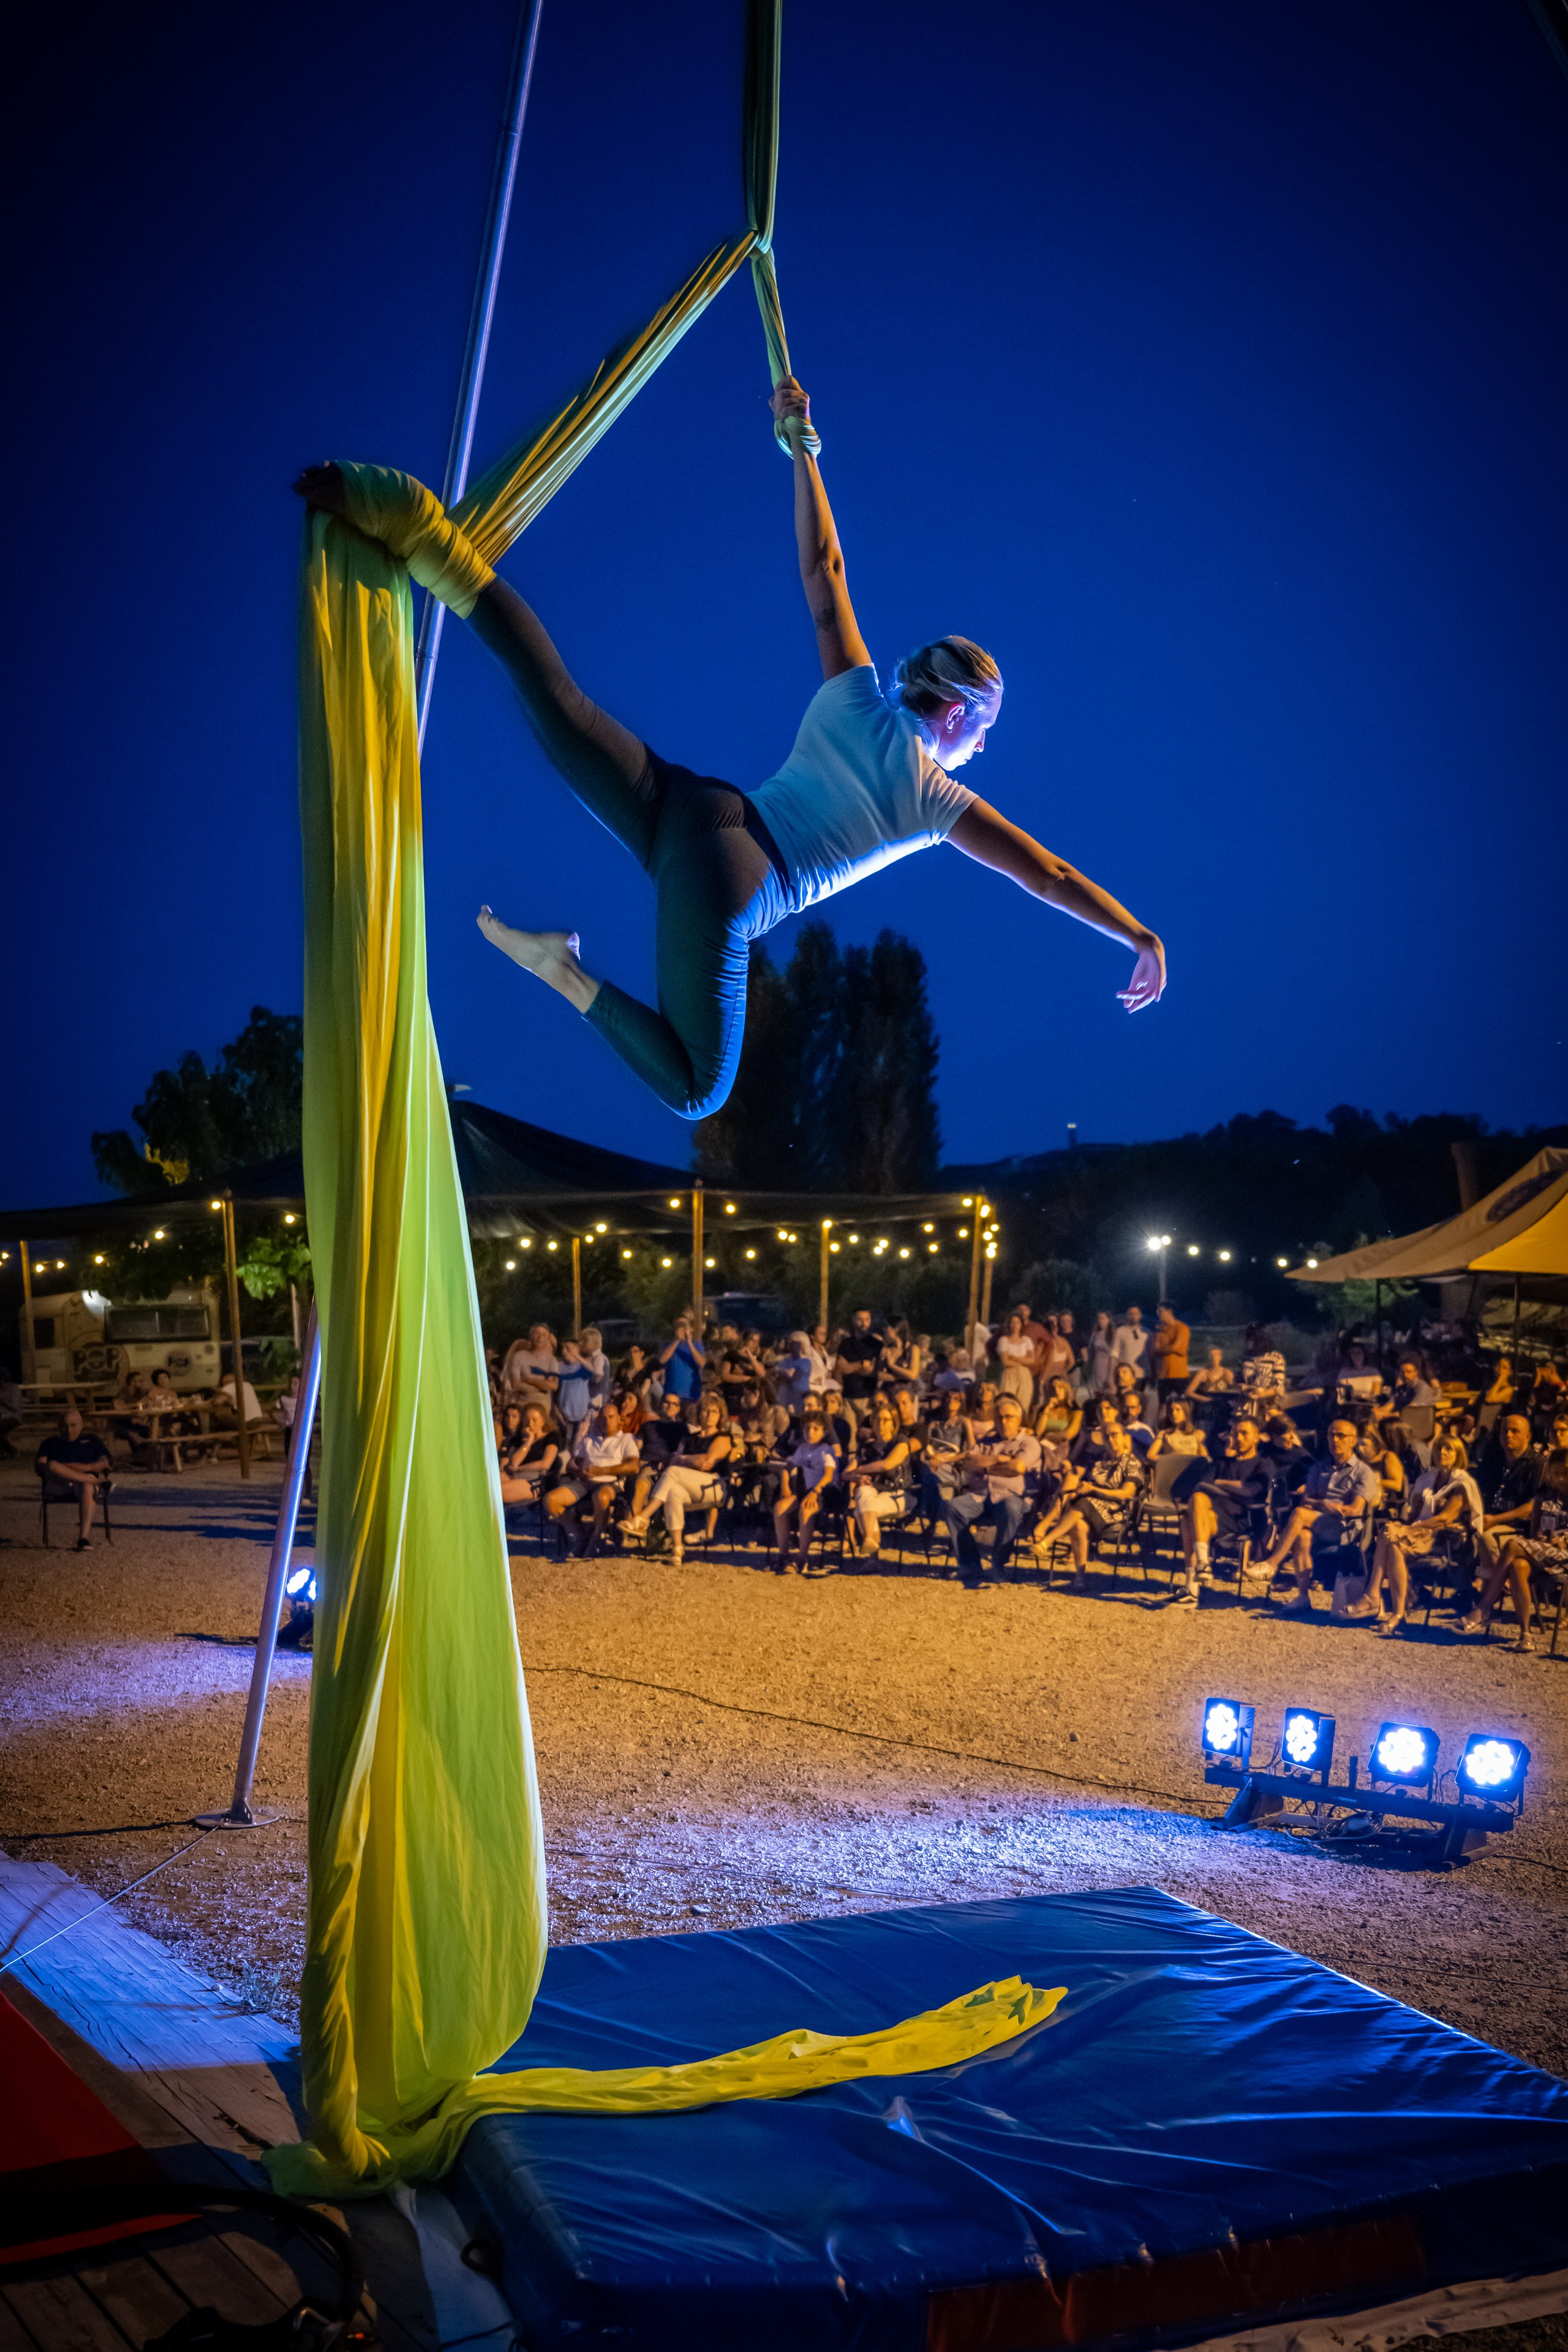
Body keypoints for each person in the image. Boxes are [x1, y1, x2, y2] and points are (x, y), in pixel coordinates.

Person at [295, 390, 1166, 1125]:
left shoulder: (856, 693)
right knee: (695, 1092)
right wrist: (1137, 932)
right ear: (958, 714)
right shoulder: (936, 800)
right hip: (741, 879)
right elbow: (1045, 875)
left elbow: (824, 571)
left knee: (560, 701)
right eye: (986, 727)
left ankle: (424, 534)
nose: (986, 745)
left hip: (697, 808)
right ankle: (560, 968)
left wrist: (801, 449)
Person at [1360, 1433, 1482, 1637]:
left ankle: (1377, 1598)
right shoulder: (1426, 1479)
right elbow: (1413, 1514)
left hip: (1444, 1538)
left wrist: (1411, 1529)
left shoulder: (1462, 1483)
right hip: (1420, 1533)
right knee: (1390, 1537)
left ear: (1459, 1454)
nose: (1442, 1452)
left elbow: (1444, 1519)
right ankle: (1397, 1613)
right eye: (1439, 1448)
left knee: (1391, 1537)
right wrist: (1406, 1526)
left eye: (1448, 1449)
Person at [1254, 1419, 1380, 1613]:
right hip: (1318, 1522)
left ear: (1353, 1441)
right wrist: (1324, 1505)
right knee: (1302, 1535)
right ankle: (1303, 1597)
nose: (1334, 1440)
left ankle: (1272, 1564)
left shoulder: (1363, 1472)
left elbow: (1355, 1510)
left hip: (1346, 1528)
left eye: (1341, 1436)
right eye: (1331, 1435)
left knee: (1298, 1514)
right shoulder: (1319, 1468)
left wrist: (1322, 1505)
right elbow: (1306, 1500)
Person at [1468, 1447, 1568, 1654]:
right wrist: (1542, 1538)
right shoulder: (1544, 1497)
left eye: (1564, 1473)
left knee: (1512, 1545)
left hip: (1565, 1556)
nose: (1559, 1478)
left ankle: (1484, 1606)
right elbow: (1533, 1535)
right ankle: (1526, 1636)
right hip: (1543, 1552)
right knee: (1518, 1565)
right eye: (1555, 1473)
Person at [937, 1392, 1041, 1582]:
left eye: (1009, 1417)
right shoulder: (986, 1443)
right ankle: (970, 1565)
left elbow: (1018, 1467)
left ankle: (998, 1565)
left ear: (1019, 1419)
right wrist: (1001, 1460)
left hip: (1012, 1496)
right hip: (980, 1496)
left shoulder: (1029, 1443)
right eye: (1000, 1418)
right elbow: (968, 1461)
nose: (1004, 1422)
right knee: (951, 1507)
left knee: (1011, 1507)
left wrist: (984, 1466)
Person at [1170, 1415, 1272, 1607]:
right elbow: (1200, 1486)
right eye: (1235, 1434)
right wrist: (1233, 1486)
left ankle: (1193, 1585)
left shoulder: (1263, 1464)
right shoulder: (1220, 1463)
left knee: (1191, 1515)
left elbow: (1249, 1491)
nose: (1239, 1438)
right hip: (1214, 1517)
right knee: (1192, 1509)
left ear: (1257, 1438)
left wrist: (1219, 1483)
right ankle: (1202, 1565)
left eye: (1244, 1433)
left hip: (1244, 1518)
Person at [1029, 1421, 1144, 1589]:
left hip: (1117, 1511)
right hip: (1091, 1508)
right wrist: (1079, 1485)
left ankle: (1048, 1540)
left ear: (1125, 1438)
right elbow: (1081, 1478)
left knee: (1083, 1504)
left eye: (1115, 1435)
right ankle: (1079, 1578)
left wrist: (1094, 1490)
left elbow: (1126, 1494)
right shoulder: (1099, 1462)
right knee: (1079, 1523)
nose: (1111, 1439)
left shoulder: (1132, 1463)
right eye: (1106, 1436)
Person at [626, 1392, 735, 1562]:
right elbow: (674, 1460)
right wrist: (688, 1460)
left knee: (675, 1472)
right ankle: (677, 1550)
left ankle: (644, 1517)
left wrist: (683, 1459)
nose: (709, 1415)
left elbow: (707, 1462)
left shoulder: (723, 1437)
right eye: (705, 1411)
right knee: (673, 1492)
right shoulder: (689, 1438)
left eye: (714, 1412)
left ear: (720, 1416)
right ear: (699, 1413)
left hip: (714, 1487)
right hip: (689, 1488)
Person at [545, 1401, 640, 1556]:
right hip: (584, 1481)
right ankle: (581, 1537)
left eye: (611, 1417)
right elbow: (571, 1465)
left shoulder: (627, 1439)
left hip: (610, 1482)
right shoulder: (589, 1439)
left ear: (619, 1420)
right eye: (603, 1418)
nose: (607, 1421)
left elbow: (634, 1466)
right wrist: (580, 1471)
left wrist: (602, 1471)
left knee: (601, 1496)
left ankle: (597, 1538)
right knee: (551, 1500)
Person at [845, 1398, 918, 1558]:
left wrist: (860, 1470)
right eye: (877, 1420)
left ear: (894, 1423)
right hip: (874, 1493)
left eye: (886, 1420)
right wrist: (856, 1477)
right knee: (864, 1491)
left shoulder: (901, 1442)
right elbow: (845, 1473)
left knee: (861, 1508)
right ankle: (870, 1542)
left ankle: (872, 1555)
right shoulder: (867, 1447)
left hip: (898, 1493)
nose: (881, 1424)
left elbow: (887, 1464)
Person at [772, 1409, 841, 1574]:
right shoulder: (802, 1448)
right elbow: (789, 1466)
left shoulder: (826, 1450)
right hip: (804, 1491)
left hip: (825, 1492)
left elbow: (829, 1475)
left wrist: (815, 1492)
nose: (810, 1432)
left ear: (824, 1432)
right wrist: (786, 1484)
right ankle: (784, 1554)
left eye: (816, 1429)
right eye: (807, 1429)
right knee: (780, 1508)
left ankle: (803, 1558)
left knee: (806, 1509)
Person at [36, 1406, 113, 1549]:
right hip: (59, 1484)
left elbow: (104, 1463)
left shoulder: (92, 1441)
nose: (69, 1430)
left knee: (86, 1484)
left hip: (84, 1486)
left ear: (82, 1425)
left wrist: (70, 1467)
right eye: (65, 1426)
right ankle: (100, 1483)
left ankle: (83, 1538)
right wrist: (86, 1468)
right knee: (52, 1465)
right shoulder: (50, 1443)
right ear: (59, 1426)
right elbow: (42, 1466)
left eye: (73, 1425)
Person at [1476, 1413, 1544, 1570]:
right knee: (1459, 1535)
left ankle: (1497, 1586)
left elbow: (1532, 1507)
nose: (1508, 1435)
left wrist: (1495, 1519)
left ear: (1528, 1436)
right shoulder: (1495, 1459)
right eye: (1504, 1431)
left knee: (1487, 1539)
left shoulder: (1537, 1464)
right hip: (1489, 1518)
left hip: (1517, 1525)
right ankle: (1467, 1588)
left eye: (1515, 1431)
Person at [499, 1403, 559, 1509]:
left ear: (543, 1421)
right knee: (487, 1483)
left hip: (536, 1479)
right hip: (514, 1475)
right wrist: (529, 1442)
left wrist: (520, 1469)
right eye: (527, 1420)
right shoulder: (517, 1439)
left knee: (496, 1492)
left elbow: (545, 1464)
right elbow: (514, 1463)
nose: (530, 1424)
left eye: (534, 1420)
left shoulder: (551, 1437)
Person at [835, 1309, 884, 1405]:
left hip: (868, 1396)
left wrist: (849, 1367)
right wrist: (862, 1364)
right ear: (854, 1320)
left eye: (867, 1320)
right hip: (848, 1396)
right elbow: (839, 1369)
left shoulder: (877, 1345)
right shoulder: (845, 1344)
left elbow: (873, 1370)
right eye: (860, 1320)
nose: (864, 1323)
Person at [503, 1325, 560, 1407]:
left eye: (544, 1335)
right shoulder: (519, 1356)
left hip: (543, 1406)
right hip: (522, 1405)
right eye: (537, 1333)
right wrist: (543, 1387)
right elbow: (515, 1384)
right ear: (531, 1336)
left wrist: (529, 1380)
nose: (540, 1337)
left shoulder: (552, 1360)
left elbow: (553, 1386)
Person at [658, 1316, 706, 1408]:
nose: (681, 1328)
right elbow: (662, 1360)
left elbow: (702, 1363)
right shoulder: (669, 1346)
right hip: (672, 1396)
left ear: (690, 1328)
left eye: (684, 1325)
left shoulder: (697, 1344)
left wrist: (689, 1342)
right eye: (679, 1326)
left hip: (691, 1395)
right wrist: (678, 1340)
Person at [555, 1340, 593, 1452]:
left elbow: (591, 1370)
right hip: (565, 1413)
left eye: (569, 1348)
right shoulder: (559, 1367)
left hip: (581, 1413)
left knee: (579, 1445)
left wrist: (577, 1355)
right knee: (565, 1443)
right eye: (564, 1348)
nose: (565, 1351)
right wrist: (557, 1411)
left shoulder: (582, 1366)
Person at [995, 1311, 1037, 1411]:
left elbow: (1032, 1360)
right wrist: (1023, 1361)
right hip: (1010, 1374)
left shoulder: (1026, 1340)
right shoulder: (1004, 1340)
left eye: (1018, 1323)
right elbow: (1006, 1362)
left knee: (1023, 1404)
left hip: (1024, 1374)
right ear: (1009, 1324)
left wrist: (1014, 1358)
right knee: (1007, 1402)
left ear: (1021, 1325)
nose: (1015, 1325)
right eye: (1012, 1323)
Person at [1147, 1396, 1208, 1461]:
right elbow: (1150, 1455)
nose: (1174, 1413)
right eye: (1171, 1411)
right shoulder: (1164, 1434)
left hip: (1191, 1468)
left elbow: (1204, 1458)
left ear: (1185, 1411)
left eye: (1178, 1410)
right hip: (1173, 1468)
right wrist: (1167, 1461)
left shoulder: (1197, 1434)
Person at [1033, 1374, 1082, 1453]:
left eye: (1060, 1387)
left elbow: (1069, 1434)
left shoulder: (1076, 1411)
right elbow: (1038, 1432)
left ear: (1066, 1389)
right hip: (1042, 1446)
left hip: (1062, 1448)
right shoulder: (1044, 1409)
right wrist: (1047, 1410)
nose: (1056, 1391)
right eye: (1053, 1388)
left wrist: (1048, 1436)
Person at [1152, 1305, 1190, 1401]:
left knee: (1182, 1404)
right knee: (1163, 1405)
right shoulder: (1160, 1331)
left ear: (1169, 1311)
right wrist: (1176, 1350)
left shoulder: (1182, 1328)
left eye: (1160, 1311)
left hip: (1180, 1375)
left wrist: (1166, 1349)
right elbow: (1155, 1350)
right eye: (1157, 1312)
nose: (1158, 1314)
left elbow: (1175, 1347)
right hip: (1163, 1375)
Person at [1111, 1308, 1149, 1380]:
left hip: (1141, 1374)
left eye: (1136, 1314)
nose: (1133, 1316)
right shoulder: (1120, 1331)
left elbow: (1150, 1353)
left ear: (1140, 1315)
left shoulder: (1146, 1333)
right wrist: (1111, 1374)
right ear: (1127, 1315)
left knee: (1140, 1391)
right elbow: (1114, 1354)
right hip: (1124, 1374)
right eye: (1131, 1314)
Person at [1084, 1313, 1116, 1397]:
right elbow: (1090, 1350)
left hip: (1109, 1364)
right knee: (1097, 1390)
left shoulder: (1113, 1334)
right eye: (1099, 1319)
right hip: (1098, 1364)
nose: (1101, 1321)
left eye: (1103, 1318)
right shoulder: (1096, 1334)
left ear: (1108, 1320)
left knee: (1108, 1389)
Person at [0, 1368, 23, 1457]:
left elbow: (15, 1407)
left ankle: (11, 1449)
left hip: (12, 1417)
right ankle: (3, 1451)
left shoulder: (13, 1388)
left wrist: (2, 1399)